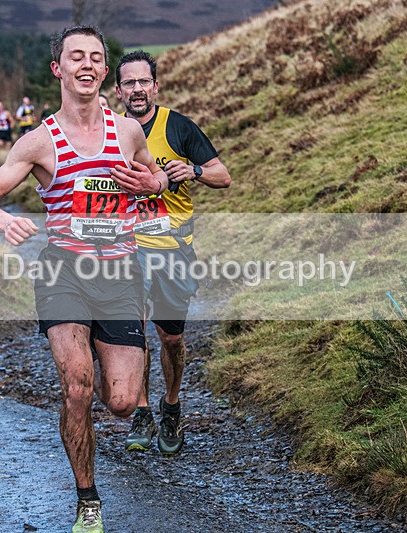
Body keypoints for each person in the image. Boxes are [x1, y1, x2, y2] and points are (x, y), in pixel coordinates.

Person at [0, 28, 168, 533]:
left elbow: (155, 177)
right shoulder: (39, 141)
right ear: (58, 68)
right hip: (64, 273)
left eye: (96, 58)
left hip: (120, 274)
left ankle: (105, 367)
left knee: (120, 402)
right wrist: (4, 221)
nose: (87, 64)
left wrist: (153, 182)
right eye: (75, 56)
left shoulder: (128, 132)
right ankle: (88, 501)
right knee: (77, 389)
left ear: (104, 70)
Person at [114, 50, 231, 455]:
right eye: (129, 83)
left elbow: (223, 176)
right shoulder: (109, 132)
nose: (137, 89)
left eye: (144, 81)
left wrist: (194, 170)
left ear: (156, 87)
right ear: (118, 91)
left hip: (172, 248)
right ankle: (142, 410)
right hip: (128, 248)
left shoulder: (179, 127)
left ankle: (172, 405)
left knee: (171, 338)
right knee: (134, 334)